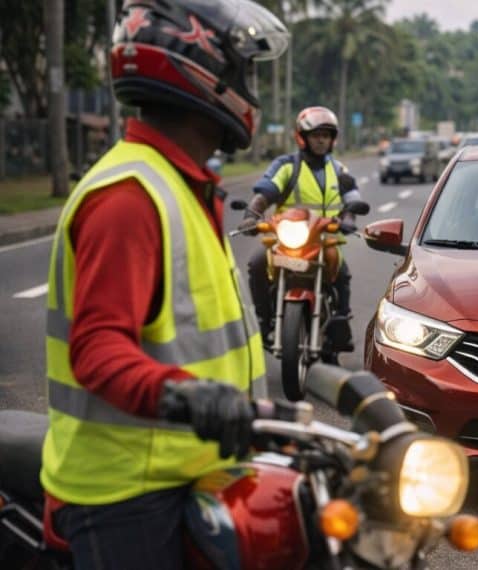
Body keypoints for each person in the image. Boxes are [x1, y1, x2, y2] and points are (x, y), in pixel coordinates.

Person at [39, 1, 287, 567]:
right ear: (202, 72)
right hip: (127, 492)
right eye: (241, 72)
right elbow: (97, 349)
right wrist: (192, 397)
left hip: (193, 469)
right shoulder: (130, 196)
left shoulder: (179, 184)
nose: (249, 89)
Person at [238, 106, 362, 351]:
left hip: (326, 239)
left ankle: (340, 326)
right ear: (302, 138)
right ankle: (263, 319)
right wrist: (251, 216)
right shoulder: (286, 166)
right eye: (316, 135)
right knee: (257, 263)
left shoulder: (338, 170)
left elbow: (352, 198)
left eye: (326, 135)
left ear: (332, 139)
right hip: (287, 239)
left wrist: (349, 219)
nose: (321, 140)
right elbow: (264, 193)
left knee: (342, 274)